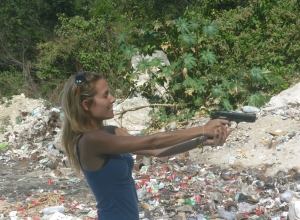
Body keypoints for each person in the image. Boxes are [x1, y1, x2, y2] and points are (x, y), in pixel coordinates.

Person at [61, 72, 234, 220]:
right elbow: (153, 141)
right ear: (86, 105)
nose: (113, 99)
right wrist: (203, 128)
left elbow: (156, 151)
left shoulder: (112, 132)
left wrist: (202, 140)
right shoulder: (90, 141)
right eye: (105, 95)